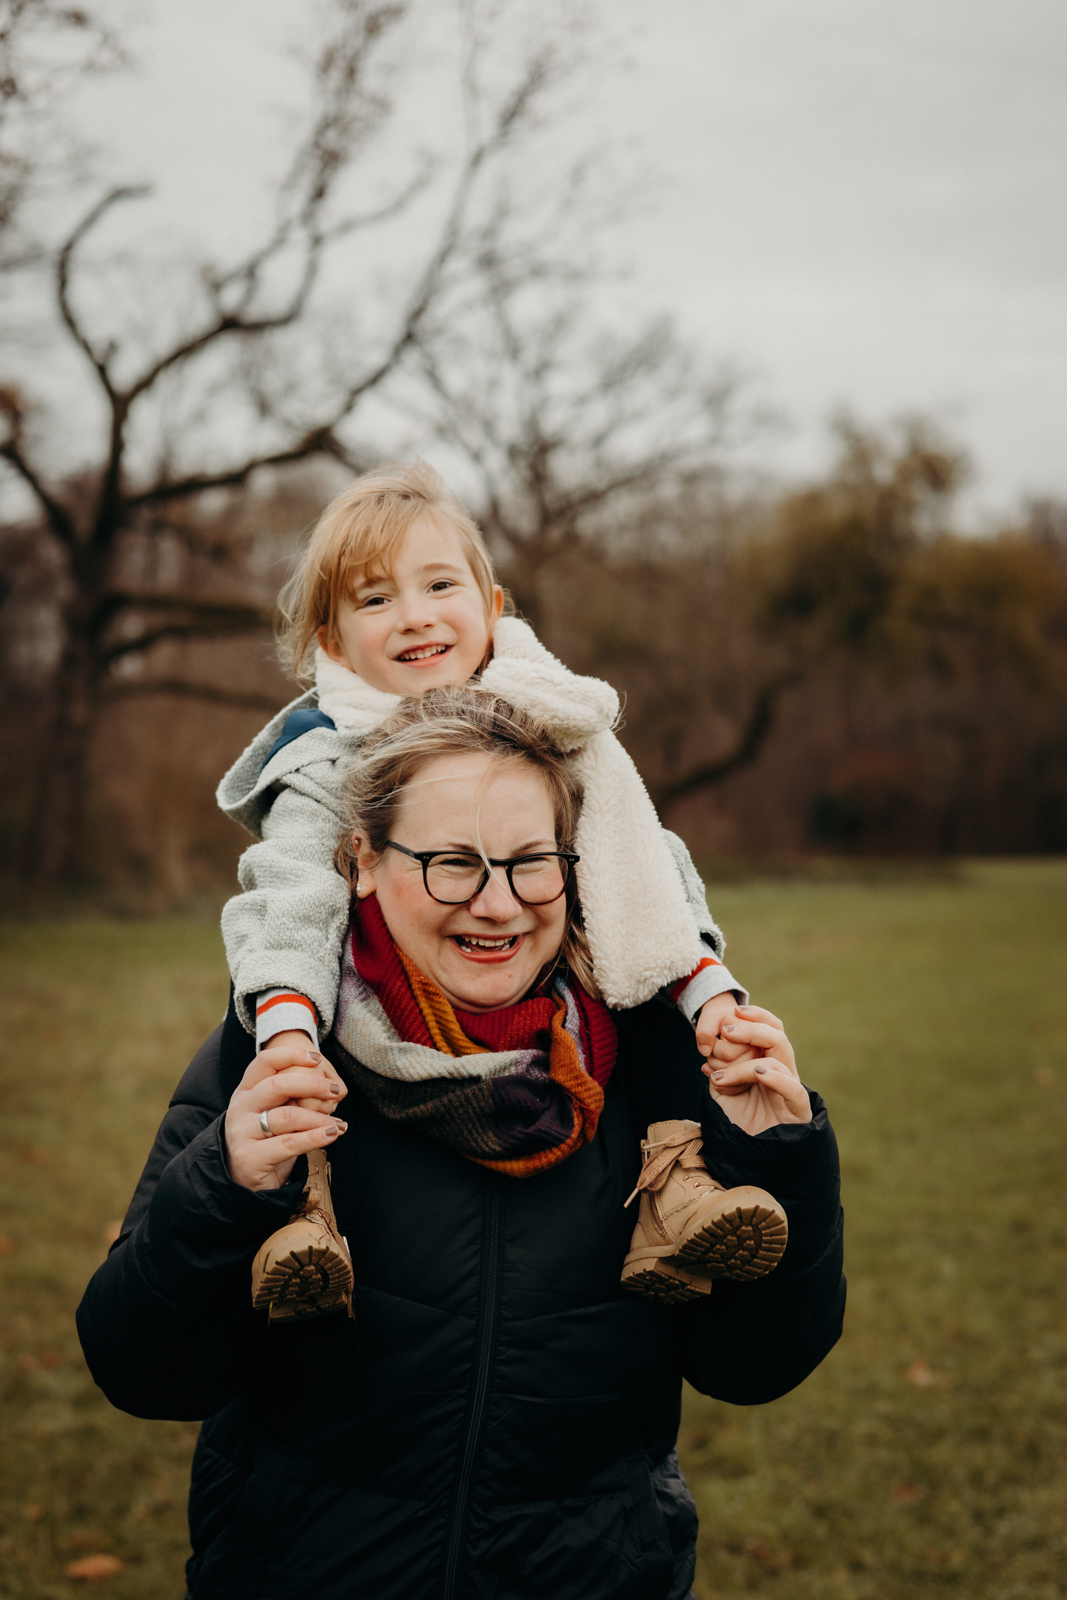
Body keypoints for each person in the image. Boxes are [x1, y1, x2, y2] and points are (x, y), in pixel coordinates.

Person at [77, 687, 845, 1600]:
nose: (498, 905)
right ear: (362, 860)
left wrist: (780, 1156)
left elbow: (753, 1367)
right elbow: (144, 1368)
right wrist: (227, 1187)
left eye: (531, 863)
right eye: (452, 863)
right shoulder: (283, 1056)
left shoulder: (656, 1059)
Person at [215, 460, 783, 1311]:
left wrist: (710, 993)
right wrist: (286, 1027)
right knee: (297, 1016)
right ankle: (302, 1207)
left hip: (564, 992)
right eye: (374, 600)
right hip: (373, 998)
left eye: (438, 584)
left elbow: (640, 857)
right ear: (331, 644)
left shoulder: (552, 722)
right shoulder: (323, 759)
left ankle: (675, 1179)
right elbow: (290, 890)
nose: (413, 616)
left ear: (491, 608)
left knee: (636, 969)